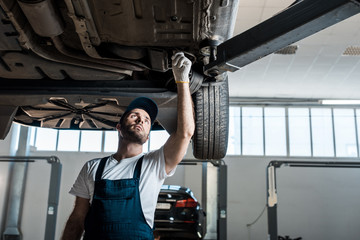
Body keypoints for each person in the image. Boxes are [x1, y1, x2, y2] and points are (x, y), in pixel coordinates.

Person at [61, 52, 195, 240]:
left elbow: (185, 133)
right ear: (119, 127)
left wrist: (182, 81)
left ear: (147, 137)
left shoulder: (155, 164)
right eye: (134, 115)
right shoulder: (93, 167)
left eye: (147, 120)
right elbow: (77, 219)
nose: (141, 119)